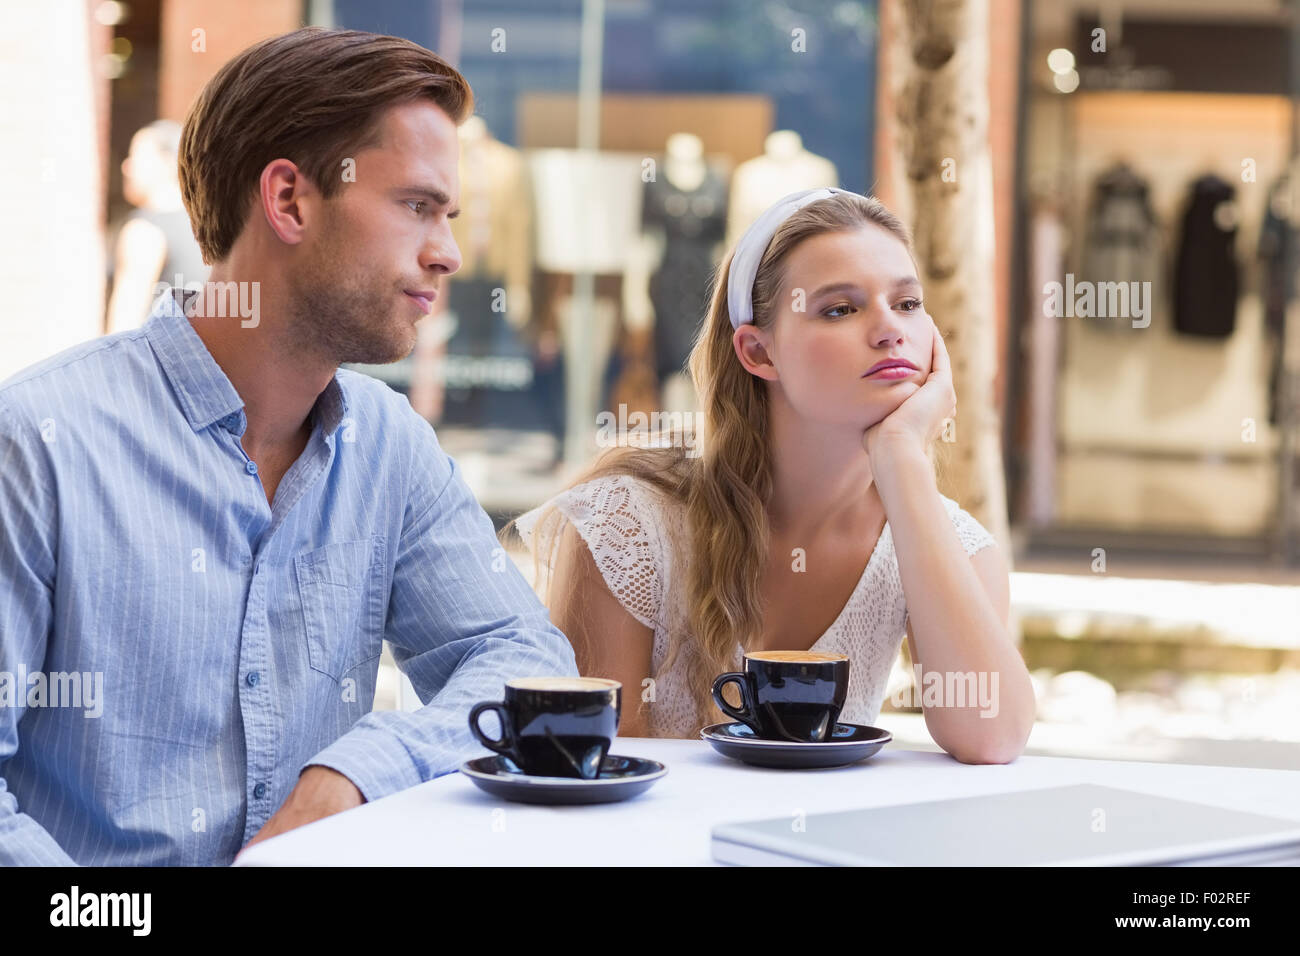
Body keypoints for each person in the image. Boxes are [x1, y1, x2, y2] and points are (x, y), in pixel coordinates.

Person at [0, 27, 577, 867]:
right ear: (290, 201)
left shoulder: (390, 449)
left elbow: (524, 663)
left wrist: (354, 772)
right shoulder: (39, 442)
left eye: (448, 216)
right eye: (417, 206)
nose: (448, 253)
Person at [513, 188, 1034, 763]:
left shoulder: (950, 543)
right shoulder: (628, 524)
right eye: (840, 308)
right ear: (759, 352)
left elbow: (992, 737)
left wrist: (903, 456)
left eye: (907, 303)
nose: (890, 330)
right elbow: (592, 766)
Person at [106, 119, 210, 334]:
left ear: (167, 164)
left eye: (136, 157)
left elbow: (124, 325)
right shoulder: (208, 228)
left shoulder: (144, 231)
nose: (126, 167)